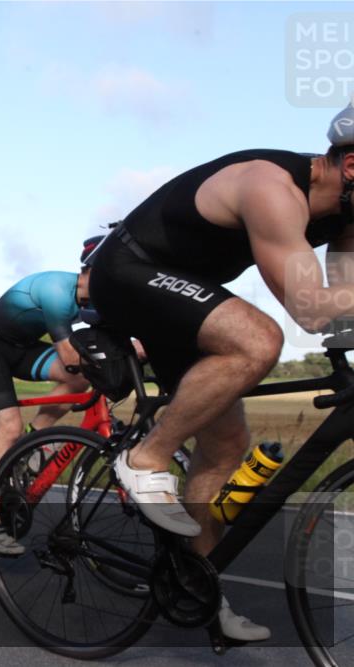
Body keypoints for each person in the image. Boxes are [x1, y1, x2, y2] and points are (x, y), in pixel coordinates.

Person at [88, 104, 354, 641]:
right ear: (352, 166)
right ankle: (145, 458)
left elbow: (340, 305)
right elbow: (310, 307)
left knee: (227, 445)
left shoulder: (348, 216)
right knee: (260, 339)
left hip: (186, 297)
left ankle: (199, 588)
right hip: (128, 271)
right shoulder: (271, 187)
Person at [0, 237, 103, 554]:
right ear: (90, 271)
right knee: (8, 427)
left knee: (80, 380)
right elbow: (69, 357)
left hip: (22, 348)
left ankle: (31, 446)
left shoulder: (94, 305)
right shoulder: (58, 289)